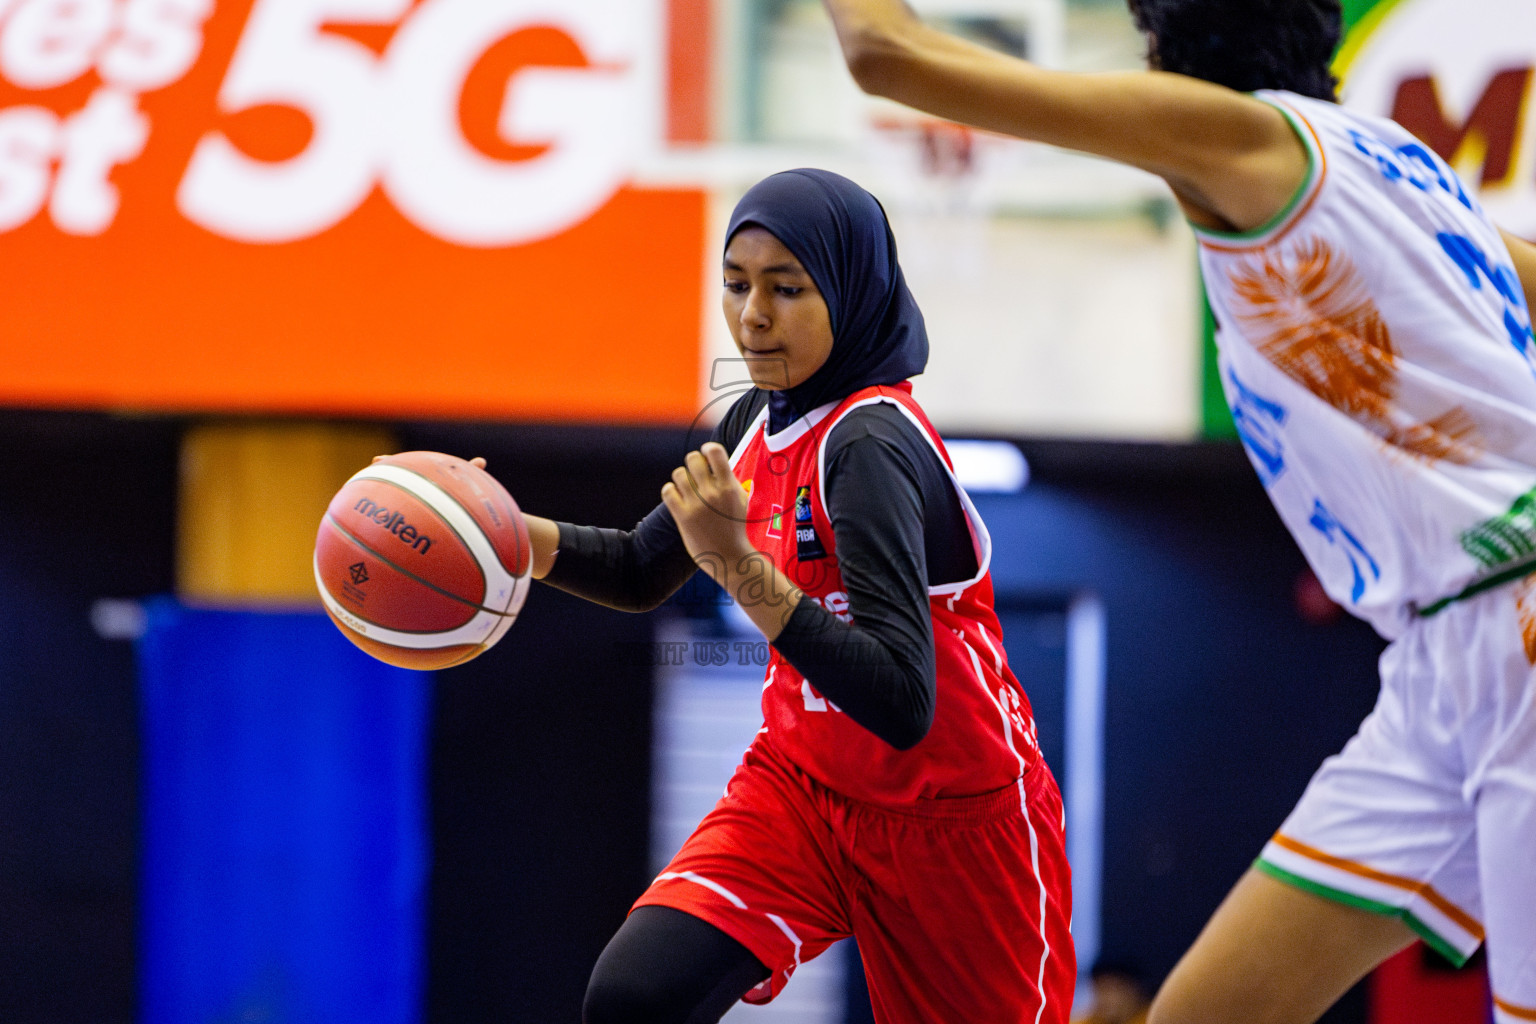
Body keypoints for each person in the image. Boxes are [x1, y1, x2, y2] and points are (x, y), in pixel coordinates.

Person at [813, 2, 1536, 1023]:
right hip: (1440, 666)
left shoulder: (1240, 140)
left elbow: (889, 53)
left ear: (1161, 59)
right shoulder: (1394, 158)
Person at [509, 168, 1074, 1023]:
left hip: (952, 819)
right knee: (632, 997)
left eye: (787, 289)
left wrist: (737, 566)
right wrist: (501, 536)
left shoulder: (870, 442)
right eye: (736, 285)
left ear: (848, 294)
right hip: (804, 789)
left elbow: (900, 699)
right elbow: (638, 567)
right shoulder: (749, 421)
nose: (753, 316)